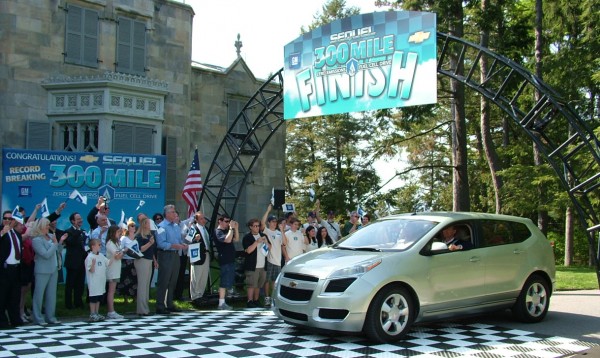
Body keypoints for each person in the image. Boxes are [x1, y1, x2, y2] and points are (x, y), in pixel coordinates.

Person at [30, 218, 67, 325]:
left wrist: (60, 243)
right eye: (46, 225)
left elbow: (57, 251)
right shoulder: (36, 240)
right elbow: (45, 254)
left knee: (51, 294)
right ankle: (38, 318)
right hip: (42, 270)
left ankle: (50, 316)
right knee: (39, 294)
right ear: (40, 226)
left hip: (53, 268)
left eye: (48, 225)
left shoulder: (51, 237)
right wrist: (55, 244)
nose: (48, 227)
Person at [155, 204, 187, 314]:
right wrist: (174, 245)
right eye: (173, 212)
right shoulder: (161, 227)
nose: (175, 214)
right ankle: (160, 305)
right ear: (167, 214)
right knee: (164, 280)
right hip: (166, 255)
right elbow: (161, 243)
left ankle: (169, 303)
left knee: (173, 280)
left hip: (175, 255)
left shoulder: (176, 226)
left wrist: (181, 244)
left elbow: (178, 240)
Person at [0, 210, 24, 329]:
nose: (8, 221)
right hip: (4, 269)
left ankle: (15, 319)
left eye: (10, 219)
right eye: (6, 218)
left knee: (14, 296)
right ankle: (2, 321)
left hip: (15, 268)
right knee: (2, 296)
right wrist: (2, 234)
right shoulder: (2, 232)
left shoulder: (16, 233)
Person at [242, 218, 270, 308]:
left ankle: (256, 300)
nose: (257, 228)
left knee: (258, 284)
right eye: (255, 226)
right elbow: (248, 250)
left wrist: (266, 242)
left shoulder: (263, 235)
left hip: (262, 265)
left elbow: (270, 248)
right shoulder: (247, 237)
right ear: (250, 227)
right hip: (252, 265)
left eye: (258, 226)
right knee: (251, 284)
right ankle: (249, 301)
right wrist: (257, 242)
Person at [213, 214, 239, 310]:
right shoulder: (218, 231)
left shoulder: (227, 231)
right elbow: (227, 240)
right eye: (226, 221)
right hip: (224, 259)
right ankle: (221, 303)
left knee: (229, 280)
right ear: (220, 221)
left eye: (229, 221)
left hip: (231, 259)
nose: (228, 223)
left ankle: (225, 300)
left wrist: (235, 228)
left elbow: (236, 239)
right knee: (224, 281)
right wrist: (231, 229)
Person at [63, 212, 88, 309]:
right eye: (78, 219)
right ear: (73, 221)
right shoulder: (68, 231)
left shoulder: (83, 231)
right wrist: (78, 231)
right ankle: (68, 304)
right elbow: (70, 242)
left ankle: (78, 302)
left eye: (80, 218)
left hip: (82, 262)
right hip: (72, 263)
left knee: (80, 284)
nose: (80, 220)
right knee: (70, 284)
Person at [260, 205, 283, 307]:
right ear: (269, 223)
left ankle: (274, 298)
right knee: (267, 280)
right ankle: (267, 298)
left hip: (278, 260)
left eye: (275, 222)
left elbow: (284, 243)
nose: (274, 223)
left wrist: (282, 231)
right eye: (272, 221)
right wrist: (267, 210)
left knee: (275, 281)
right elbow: (262, 223)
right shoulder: (267, 231)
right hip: (269, 259)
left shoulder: (279, 232)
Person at [134, 217, 157, 316]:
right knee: (142, 285)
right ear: (144, 224)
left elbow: (151, 251)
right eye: (148, 223)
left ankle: (146, 307)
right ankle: (141, 309)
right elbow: (141, 249)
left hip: (149, 260)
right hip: (142, 260)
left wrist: (155, 260)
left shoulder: (149, 235)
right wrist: (150, 243)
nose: (150, 224)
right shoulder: (139, 236)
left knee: (147, 284)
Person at [190, 211, 211, 308]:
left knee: (203, 275)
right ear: (197, 220)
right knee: (196, 276)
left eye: (204, 218)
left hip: (206, 253)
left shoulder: (205, 228)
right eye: (201, 218)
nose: (204, 220)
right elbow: (187, 241)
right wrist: (195, 240)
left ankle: (200, 294)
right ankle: (195, 296)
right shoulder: (193, 229)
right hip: (197, 255)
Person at [85, 238, 108, 322]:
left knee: (98, 298)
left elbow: (108, 263)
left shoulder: (101, 255)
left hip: (100, 281)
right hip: (93, 282)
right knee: (93, 298)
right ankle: (92, 313)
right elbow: (91, 270)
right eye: (99, 245)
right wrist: (93, 265)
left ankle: (97, 313)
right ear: (93, 246)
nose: (100, 246)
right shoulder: (90, 257)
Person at [105, 225, 124, 319]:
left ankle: (111, 310)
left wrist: (121, 252)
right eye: (118, 232)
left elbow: (119, 254)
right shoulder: (110, 243)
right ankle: (111, 311)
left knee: (112, 291)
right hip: (111, 270)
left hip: (116, 269)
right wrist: (123, 251)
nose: (120, 234)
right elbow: (117, 256)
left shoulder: (116, 243)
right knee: (111, 291)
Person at [118, 220, 138, 304]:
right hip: (126, 260)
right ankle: (125, 297)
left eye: (134, 226)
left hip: (135, 260)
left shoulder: (137, 238)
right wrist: (126, 250)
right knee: (125, 278)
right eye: (131, 226)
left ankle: (134, 297)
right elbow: (120, 249)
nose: (133, 227)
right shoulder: (124, 238)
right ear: (128, 228)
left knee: (135, 279)